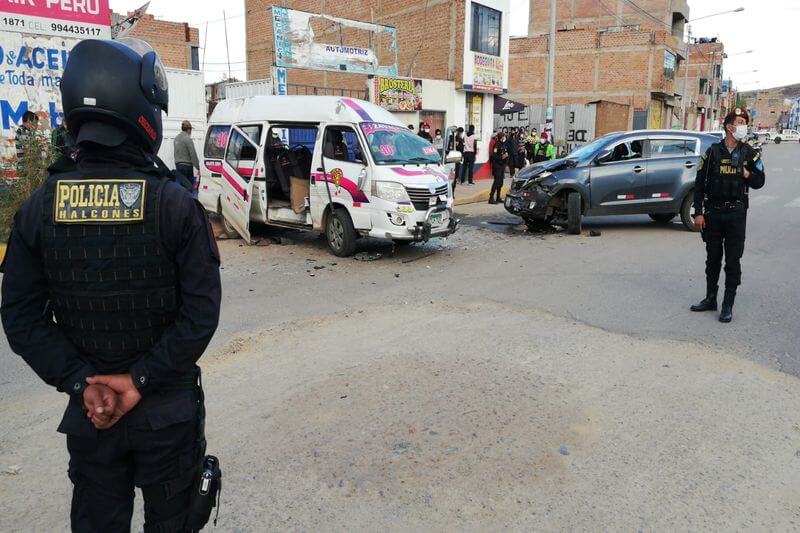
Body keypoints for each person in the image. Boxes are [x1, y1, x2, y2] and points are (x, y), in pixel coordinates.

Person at [0, 38, 222, 532]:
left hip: (92, 412)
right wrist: (141, 380)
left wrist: (84, 384)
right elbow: (201, 314)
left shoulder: (38, 208)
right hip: (165, 414)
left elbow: (20, 317)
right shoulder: (174, 205)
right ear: (142, 110)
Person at [690, 108, 765, 323]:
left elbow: (760, 181)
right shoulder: (712, 152)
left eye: (745, 122)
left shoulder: (750, 153)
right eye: (740, 122)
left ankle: (727, 305)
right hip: (713, 214)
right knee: (712, 260)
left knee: (733, 261)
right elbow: (698, 185)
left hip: (736, 215)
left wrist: (746, 173)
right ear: (729, 126)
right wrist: (699, 213)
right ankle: (710, 298)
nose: (743, 126)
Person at [174, 120, 200, 194]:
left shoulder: (176, 139)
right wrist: (198, 167)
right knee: (188, 188)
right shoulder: (188, 139)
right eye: (191, 130)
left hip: (178, 166)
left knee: (181, 188)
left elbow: (176, 154)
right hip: (187, 167)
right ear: (188, 129)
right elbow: (193, 154)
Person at [489, 131, 508, 204]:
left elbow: (506, 153)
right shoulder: (496, 145)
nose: (504, 138)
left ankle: (498, 197)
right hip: (497, 166)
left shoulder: (504, 144)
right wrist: (502, 157)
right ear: (501, 137)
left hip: (502, 166)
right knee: (496, 182)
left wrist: (506, 158)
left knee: (500, 183)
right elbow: (494, 156)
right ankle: (491, 197)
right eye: (503, 136)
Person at [448, 127, 465, 194]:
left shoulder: (455, 139)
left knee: (454, 177)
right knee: (453, 176)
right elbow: (460, 149)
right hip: (454, 159)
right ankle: (451, 192)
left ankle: (452, 192)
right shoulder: (453, 139)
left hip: (454, 159)